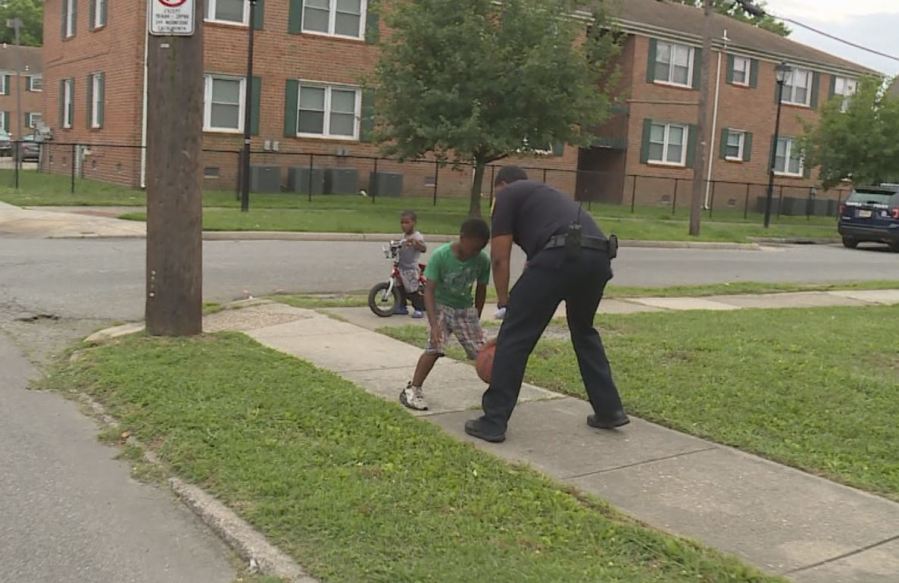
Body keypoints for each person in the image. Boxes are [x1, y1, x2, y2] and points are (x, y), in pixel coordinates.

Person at [464, 166, 628, 443]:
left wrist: (505, 301)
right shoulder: (546, 197)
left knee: (515, 337)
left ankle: (493, 421)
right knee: (584, 331)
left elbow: (499, 258)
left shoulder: (507, 196)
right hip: (598, 258)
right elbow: (536, 263)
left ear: (501, 185)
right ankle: (609, 410)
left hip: (561, 255)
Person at [400, 218, 492, 411]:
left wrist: (476, 316)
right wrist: (434, 325)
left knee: (483, 353)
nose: (475, 253)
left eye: (479, 249)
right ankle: (413, 389)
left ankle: (499, 391)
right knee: (435, 347)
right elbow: (429, 291)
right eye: (473, 248)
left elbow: (481, 289)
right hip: (441, 306)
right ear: (462, 238)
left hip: (465, 309)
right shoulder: (441, 256)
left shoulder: (482, 260)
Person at [396, 210, 427, 318]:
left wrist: (415, 243)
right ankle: (401, 306)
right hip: (401, 266)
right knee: (399, 287)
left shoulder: (417, 236)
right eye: (402, 223)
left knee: (412, 289)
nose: (404, 225)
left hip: (411, 268)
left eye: (407, 222)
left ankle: (418, 308)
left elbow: (423, 248)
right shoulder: (403, 236)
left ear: (413, 223)